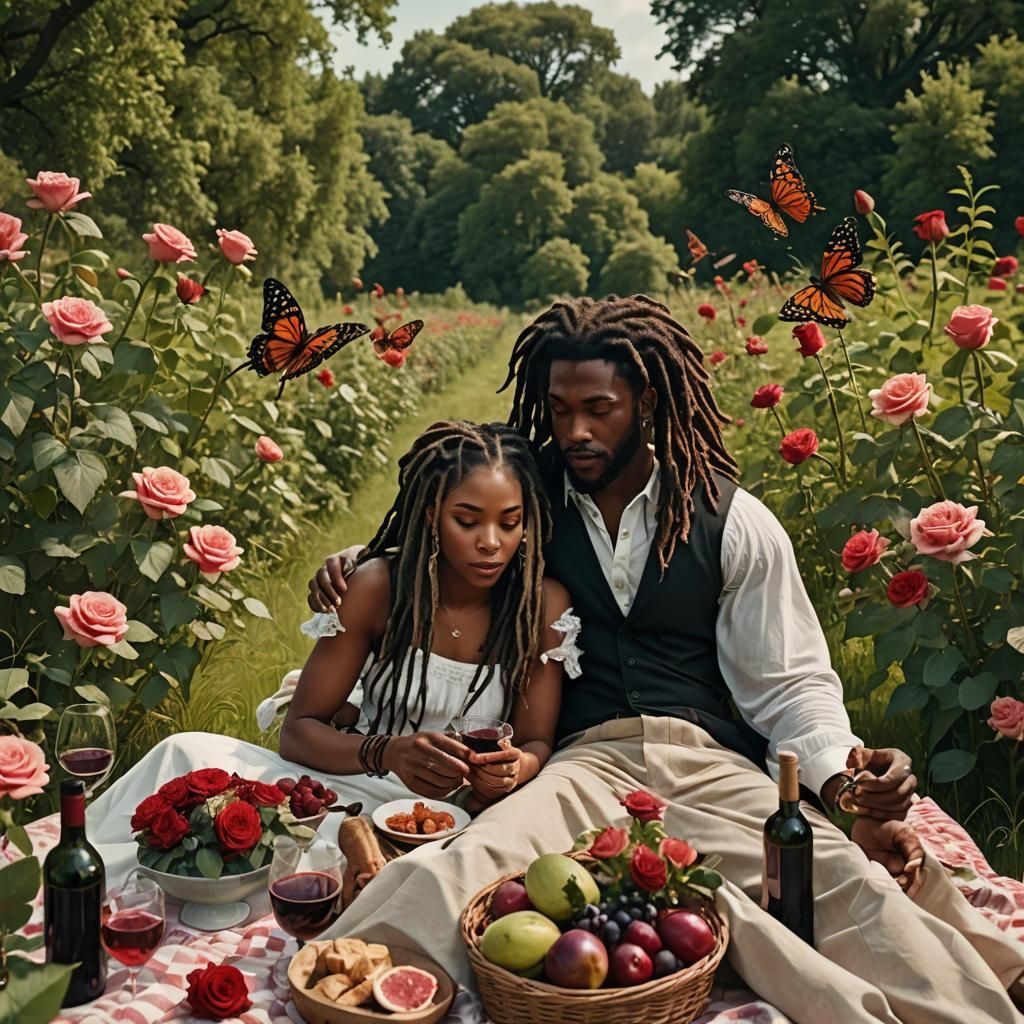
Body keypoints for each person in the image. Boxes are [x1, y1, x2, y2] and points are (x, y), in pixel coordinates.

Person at [308, 295, 1024, 1023]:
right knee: (465, 865)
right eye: (558, 410)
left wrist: (840, 784)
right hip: (578, 761)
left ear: (646, 400)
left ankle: (982, 1004)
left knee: (837, 880)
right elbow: (443, 517)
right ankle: (335, 992)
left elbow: (791, 684)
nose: (575, 431)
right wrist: (362, 560)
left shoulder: (732, 519)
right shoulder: (530, 498)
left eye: (599, 408)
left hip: (707, 757)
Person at [85, 420, 581, 886]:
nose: (491, 543)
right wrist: (386, 751)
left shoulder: (540, 607)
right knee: (186, 752)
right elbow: (299, 733)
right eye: (467, 521)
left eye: (510, 523)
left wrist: (512, 771)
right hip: (359, 787)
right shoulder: (379, 588)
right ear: (431, 515)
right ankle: (81, 865)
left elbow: (537, 739)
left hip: (466, 814)